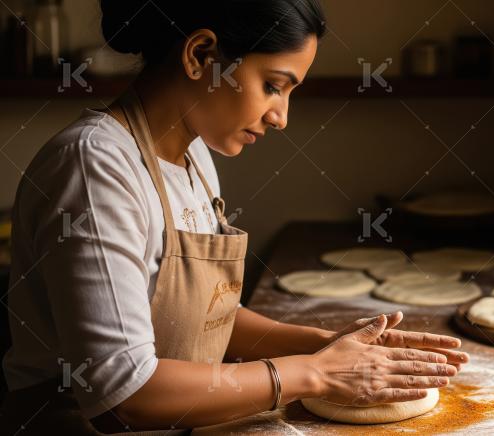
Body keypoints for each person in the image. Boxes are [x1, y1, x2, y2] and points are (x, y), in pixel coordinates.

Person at [1, 1, 468, 433]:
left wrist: (323, 346)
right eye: (272, 85)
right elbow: (125, 394)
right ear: (201, 54)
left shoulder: (195, 159)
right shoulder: (94, 167)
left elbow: (208, 319)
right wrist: (312, 374)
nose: (281, 117)